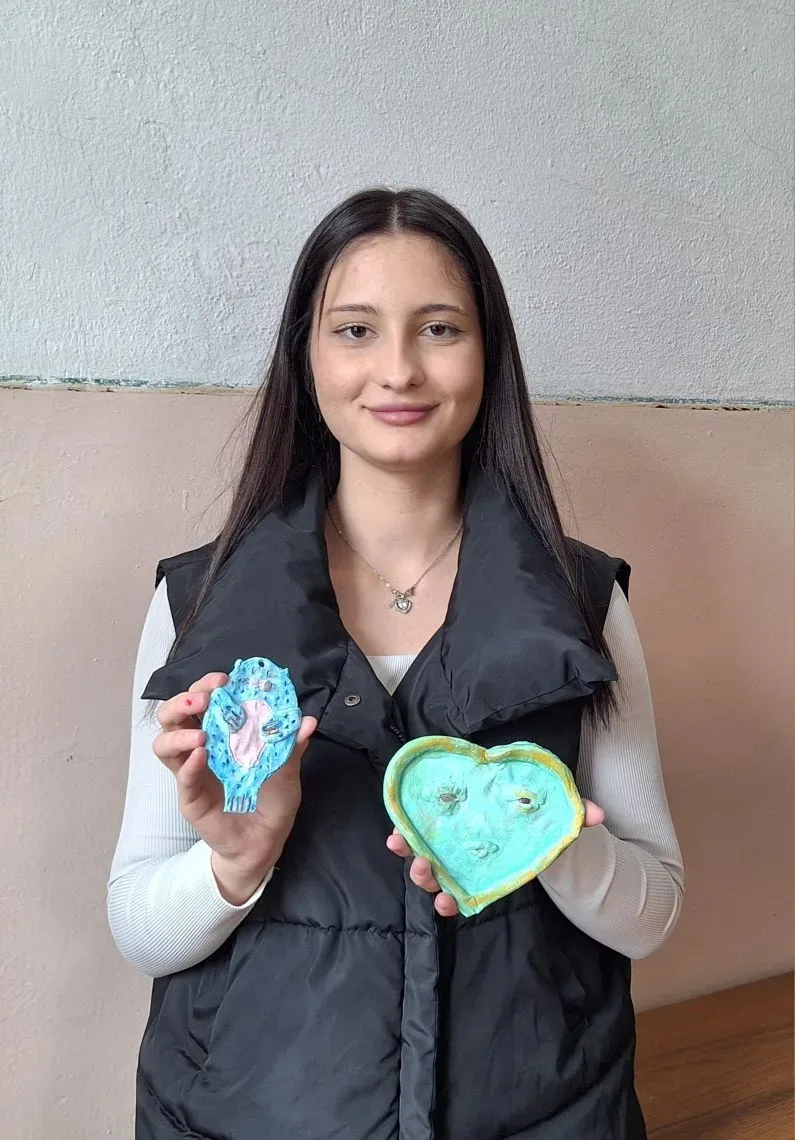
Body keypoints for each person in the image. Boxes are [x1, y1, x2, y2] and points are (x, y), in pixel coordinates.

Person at [108, 187, 683, 1140]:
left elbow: (652, 911)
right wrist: (237, 860)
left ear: (488, 353)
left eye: (440, 329)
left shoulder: (581, 601)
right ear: (306, 355)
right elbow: (139, 925)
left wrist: (545, 841)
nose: (399, 369)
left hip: (545, 1113)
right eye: (356, 330)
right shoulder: (197, 603)